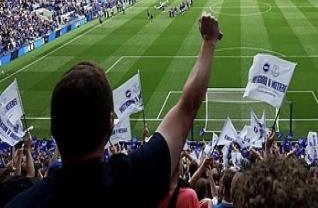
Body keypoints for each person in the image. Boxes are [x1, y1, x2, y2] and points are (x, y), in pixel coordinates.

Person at [7, 13, 222, 208]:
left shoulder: (21, 203)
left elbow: (187, 108)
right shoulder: (132, 180)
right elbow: (187, 107)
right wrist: (209, 41)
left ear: (54, 130)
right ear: (110, 124)